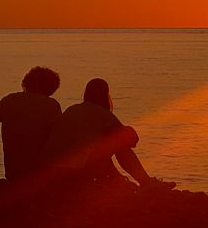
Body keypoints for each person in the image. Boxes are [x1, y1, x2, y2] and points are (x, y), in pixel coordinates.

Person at [41, 78, 173, 189]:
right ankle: (146, 182)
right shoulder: (102, 114)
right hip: (73, 173)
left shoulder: (72, 109)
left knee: (102, 145)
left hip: (50, 172)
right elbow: (131, 141)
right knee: (120, 146)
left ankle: (119, 180)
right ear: (105, 95)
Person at [0, 66, 62, 181]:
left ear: (27, 81)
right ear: (52, 88)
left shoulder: (10, 101)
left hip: (13, 173)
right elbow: (59, 140)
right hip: (40, 175)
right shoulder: (51, 105)